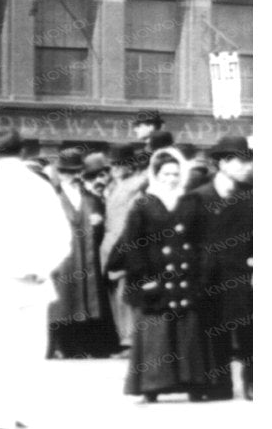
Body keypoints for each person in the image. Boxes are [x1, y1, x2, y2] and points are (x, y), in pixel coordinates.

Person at [0, 130, 71, 421]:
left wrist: (15, 265)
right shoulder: (40, 186)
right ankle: (23, 411)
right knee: (32, 347)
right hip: (35, 281)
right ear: (24, 152)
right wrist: (41, 266)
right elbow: (61, 235)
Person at [113, 150, 211, 402]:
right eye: (166, 174)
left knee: (187, 330)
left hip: (184, 276)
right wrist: (144, 276)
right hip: (154, 277)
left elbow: (200, 239)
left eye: (176, 174)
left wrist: (200, 273)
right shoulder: (144, 204)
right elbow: (132, 244)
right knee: (157, 331)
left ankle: (193, 382)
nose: (172, 179)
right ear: (156, 175)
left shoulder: (190, 201)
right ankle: (152, 385)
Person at [181, 134, 253, 401]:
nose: (247, 167)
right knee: (213, 331)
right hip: (207, 277)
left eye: (248, 162)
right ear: (222, 163)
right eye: (241, 162)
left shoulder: (253, 197)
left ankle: (253, 382)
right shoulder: (197, 198)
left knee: (250, 330)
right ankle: (217, 384)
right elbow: (186, 239)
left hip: (243, 274)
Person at [48, 147, 114, 359]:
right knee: (63, 298)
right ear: (60, 172)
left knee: (87, 297)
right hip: (64, 255)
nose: (73, 176)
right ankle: (61, 345)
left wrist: (98, 222)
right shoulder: (53, 196)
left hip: (86, 255)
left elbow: (102, 221)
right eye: (68, 172)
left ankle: (84, 344)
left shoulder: (89, 197)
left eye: (76, 171)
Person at [102, 142, 149, 353]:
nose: (115, 169)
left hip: (123, 246)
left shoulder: (135, 187)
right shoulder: (116, 186)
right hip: (111, 247)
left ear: (129, 166)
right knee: (117, 295)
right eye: (113, 165)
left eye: (119, 165)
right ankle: (125, 338)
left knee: (125, 293)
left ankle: (131, 340)